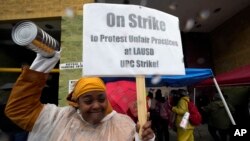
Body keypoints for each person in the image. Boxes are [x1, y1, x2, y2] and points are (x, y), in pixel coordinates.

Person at [5, 52, 155, 141]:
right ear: (77, 102)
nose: (96, 105)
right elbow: (19, 109)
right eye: (88, 100)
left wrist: (145, 138)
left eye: (101, 99)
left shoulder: (124, 124)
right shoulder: (57, 118)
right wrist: (42, 65)